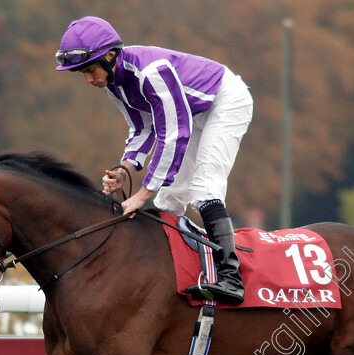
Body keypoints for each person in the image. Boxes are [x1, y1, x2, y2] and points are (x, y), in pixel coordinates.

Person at [55, 16, 253, 304]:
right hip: (192, 114)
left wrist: (142, 193)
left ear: (110, 56)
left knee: (203, 191)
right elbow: (142, 128)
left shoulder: (150, 72)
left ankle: (232, 279)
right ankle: (169, 276)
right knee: (168, 201)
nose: (88, 80)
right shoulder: (113, 82)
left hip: (224, 102)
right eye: (82, 73)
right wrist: (125, 168)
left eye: (90, 70)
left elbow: (174, 133)